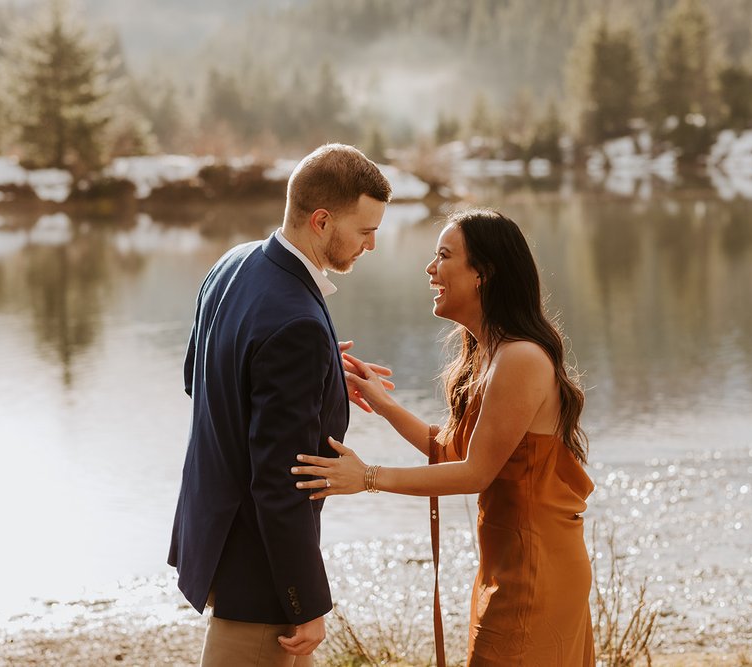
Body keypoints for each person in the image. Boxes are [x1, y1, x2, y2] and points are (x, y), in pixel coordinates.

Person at [291, 208, 596, 667]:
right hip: (508, 565)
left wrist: (367, 477)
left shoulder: (521, 359)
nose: (430, 269)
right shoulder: (490, 354)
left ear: (483, 275)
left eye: (444, 256)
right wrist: (384, 403)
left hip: (537, 570)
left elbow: (474, 473)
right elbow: (455, 452)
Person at [168, 143, 392, 667]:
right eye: (365, 231)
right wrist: (305, 600)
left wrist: (318, 374)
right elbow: (282, 479)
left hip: (219, 538)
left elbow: (198, 377)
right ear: (321, 221)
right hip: (260, 572)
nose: (373, 244)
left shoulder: (234, 264)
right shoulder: (296, 323)